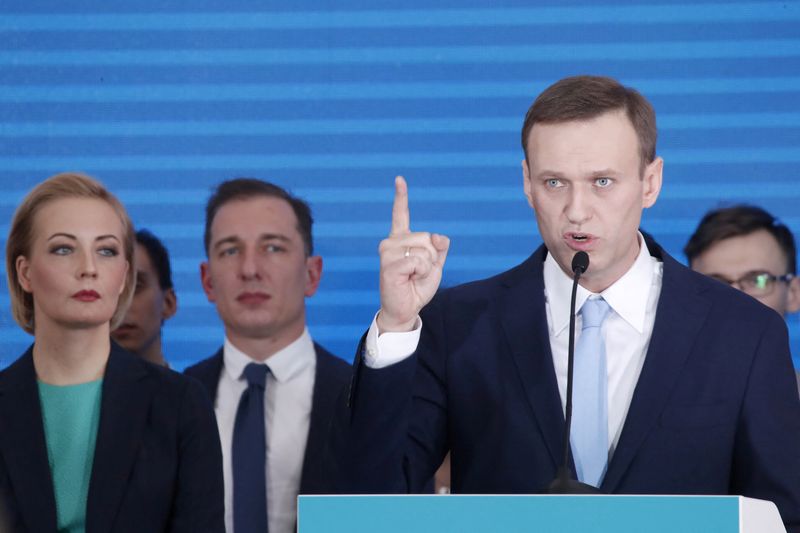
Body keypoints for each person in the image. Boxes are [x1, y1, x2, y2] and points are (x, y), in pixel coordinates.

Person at [337, 76, 800, 531]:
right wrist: (397, 325)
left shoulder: (743, 332)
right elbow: (372, 502)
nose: (577, 211)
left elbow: (784, 516)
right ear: (527, 183)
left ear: (650, 182)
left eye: (602, 181)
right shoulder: (458, 324)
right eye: (555, 183)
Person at [0, 172, 224, 532]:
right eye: (63, 249)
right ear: (25, 273)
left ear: (123, 276)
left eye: (106, 251)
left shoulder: (180, 404)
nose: (88, 269)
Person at [184, 178, 351, 533]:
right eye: (230, 250)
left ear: (312, 274)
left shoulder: (361, 398)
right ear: (207, 281)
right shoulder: (173, 399)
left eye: (273, 248)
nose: (249, 269)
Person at [684, 205, 800, 392]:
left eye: (758, 280)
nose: (736, 300)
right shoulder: (649, 404)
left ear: (793, 293)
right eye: (716, 283)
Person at [111, 229, 177, 366]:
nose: (120, 305)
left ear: (168, 303)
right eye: (108, 290)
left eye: (136, 286)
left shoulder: (198, 387)